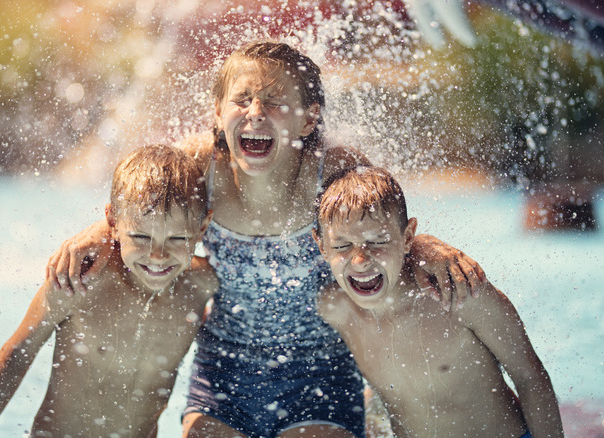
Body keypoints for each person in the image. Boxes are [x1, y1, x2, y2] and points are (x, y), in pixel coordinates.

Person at [47, 41, 487, 437]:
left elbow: (385, 228)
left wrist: (427, 246)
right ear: (218, 113)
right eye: (242, 100)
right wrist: (100, 233)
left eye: (275, 102)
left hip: (322, 370)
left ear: (309, 117)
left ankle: (368, 408)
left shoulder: (331, 168)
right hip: (225, 370)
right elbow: (140, 206)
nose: (256, 111)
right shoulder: (202, 165)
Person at [0, 144, 218, 438]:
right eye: (140, 236)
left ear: (202, 229)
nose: (157, 255)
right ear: (112, 223)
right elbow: (18, 353)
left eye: (176, 238)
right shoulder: (81, 279)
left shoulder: (202, 286)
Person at [312, 165, 564, 437]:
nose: (360, 260)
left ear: (407, 238)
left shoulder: (459, 295)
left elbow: (530, 377)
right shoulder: (335, 309)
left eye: (377, 242)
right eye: (341, 246)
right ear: (322, 246)